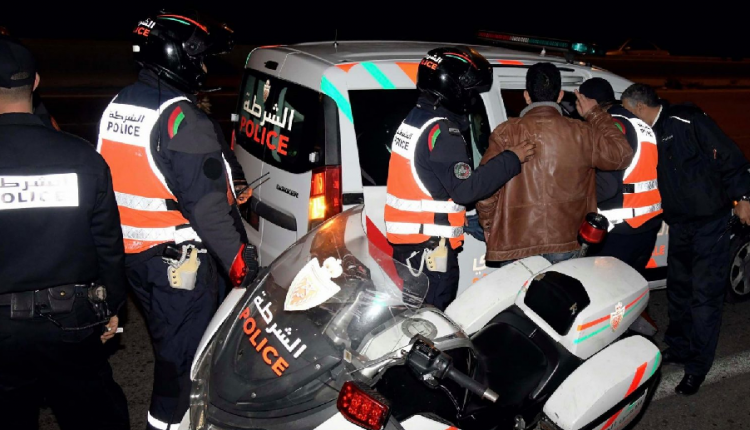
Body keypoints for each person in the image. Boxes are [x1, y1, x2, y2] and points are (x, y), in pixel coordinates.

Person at [96, 10, 259, 429]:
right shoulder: (181, 119)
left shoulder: (121, 103)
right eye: (199, 58)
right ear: (178, 57)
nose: (203, 67)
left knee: (169, 343)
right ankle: (167, 422)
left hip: (135, 255)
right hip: (179, 264)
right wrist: (241, 261)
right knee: (182, 365)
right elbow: (207, 209)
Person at [0, 37, 129, 430]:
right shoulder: (81, 157)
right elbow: (108, 245)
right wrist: (111, 307)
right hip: (70, 322)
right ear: (36, 81)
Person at [622, 83, 750, 395]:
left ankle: (696, 367)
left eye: (626, 110)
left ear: (639, 107)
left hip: (711, 223)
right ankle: (678, 347)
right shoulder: (648, 133)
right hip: (680, 225)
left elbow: (730, 156)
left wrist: (744, 196)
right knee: (679, 291)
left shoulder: (687, 120)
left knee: (704, 297)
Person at [384, 46, 535, 311]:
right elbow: (466, 190)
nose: (472, 96)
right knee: (432, 317)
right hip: (430, 249)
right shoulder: (442, 132)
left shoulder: (417, 118)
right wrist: (512, 158)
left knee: (417, 313)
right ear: (451, 87)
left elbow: (430, 180)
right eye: (470, 90)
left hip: (412, 245)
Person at [477, 63, 632, 265]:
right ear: (559, 96)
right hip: (568, 239)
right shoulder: (583, 132)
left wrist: (489, 225)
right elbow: (621, 154)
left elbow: (486, 187)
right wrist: (595, 114)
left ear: (526, 96)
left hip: (517, 240)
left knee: (520, 287)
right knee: (561, 286)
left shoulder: (506, 132)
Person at [580, 78, 663, 271]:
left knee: (602, 287)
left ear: (587, 101)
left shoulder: (610, 127)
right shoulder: (640, 124)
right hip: (647, 226)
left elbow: (606, 186)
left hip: (618, 230)